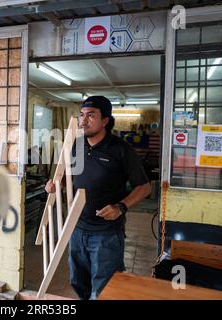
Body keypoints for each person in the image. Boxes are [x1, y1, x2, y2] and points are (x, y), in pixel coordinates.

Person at [45, 96, 151, 300]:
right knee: (78, 281)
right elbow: (68, 177)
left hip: (105, 234)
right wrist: (55, 185)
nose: (83, 121)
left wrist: (121, 207)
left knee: (104, 289)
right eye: (82, 115)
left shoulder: (121, 149)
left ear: (105, 121)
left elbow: (144, 187)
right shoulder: (76, 146)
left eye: (91, 115)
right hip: (76, 228)